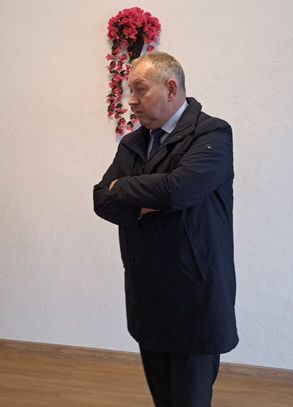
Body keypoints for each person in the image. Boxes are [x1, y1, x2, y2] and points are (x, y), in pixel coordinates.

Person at [93, 52, 237, 406]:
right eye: (130, 90)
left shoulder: (212, 133)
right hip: (149, 294)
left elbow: (178, 191)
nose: (132, 100)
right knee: (163, 397)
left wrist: (122, 188)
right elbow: (101, 199)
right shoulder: (134, 143)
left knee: (189, 400)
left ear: (171, 88)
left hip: (194, 296)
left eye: (140, 89)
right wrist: (142, 201)